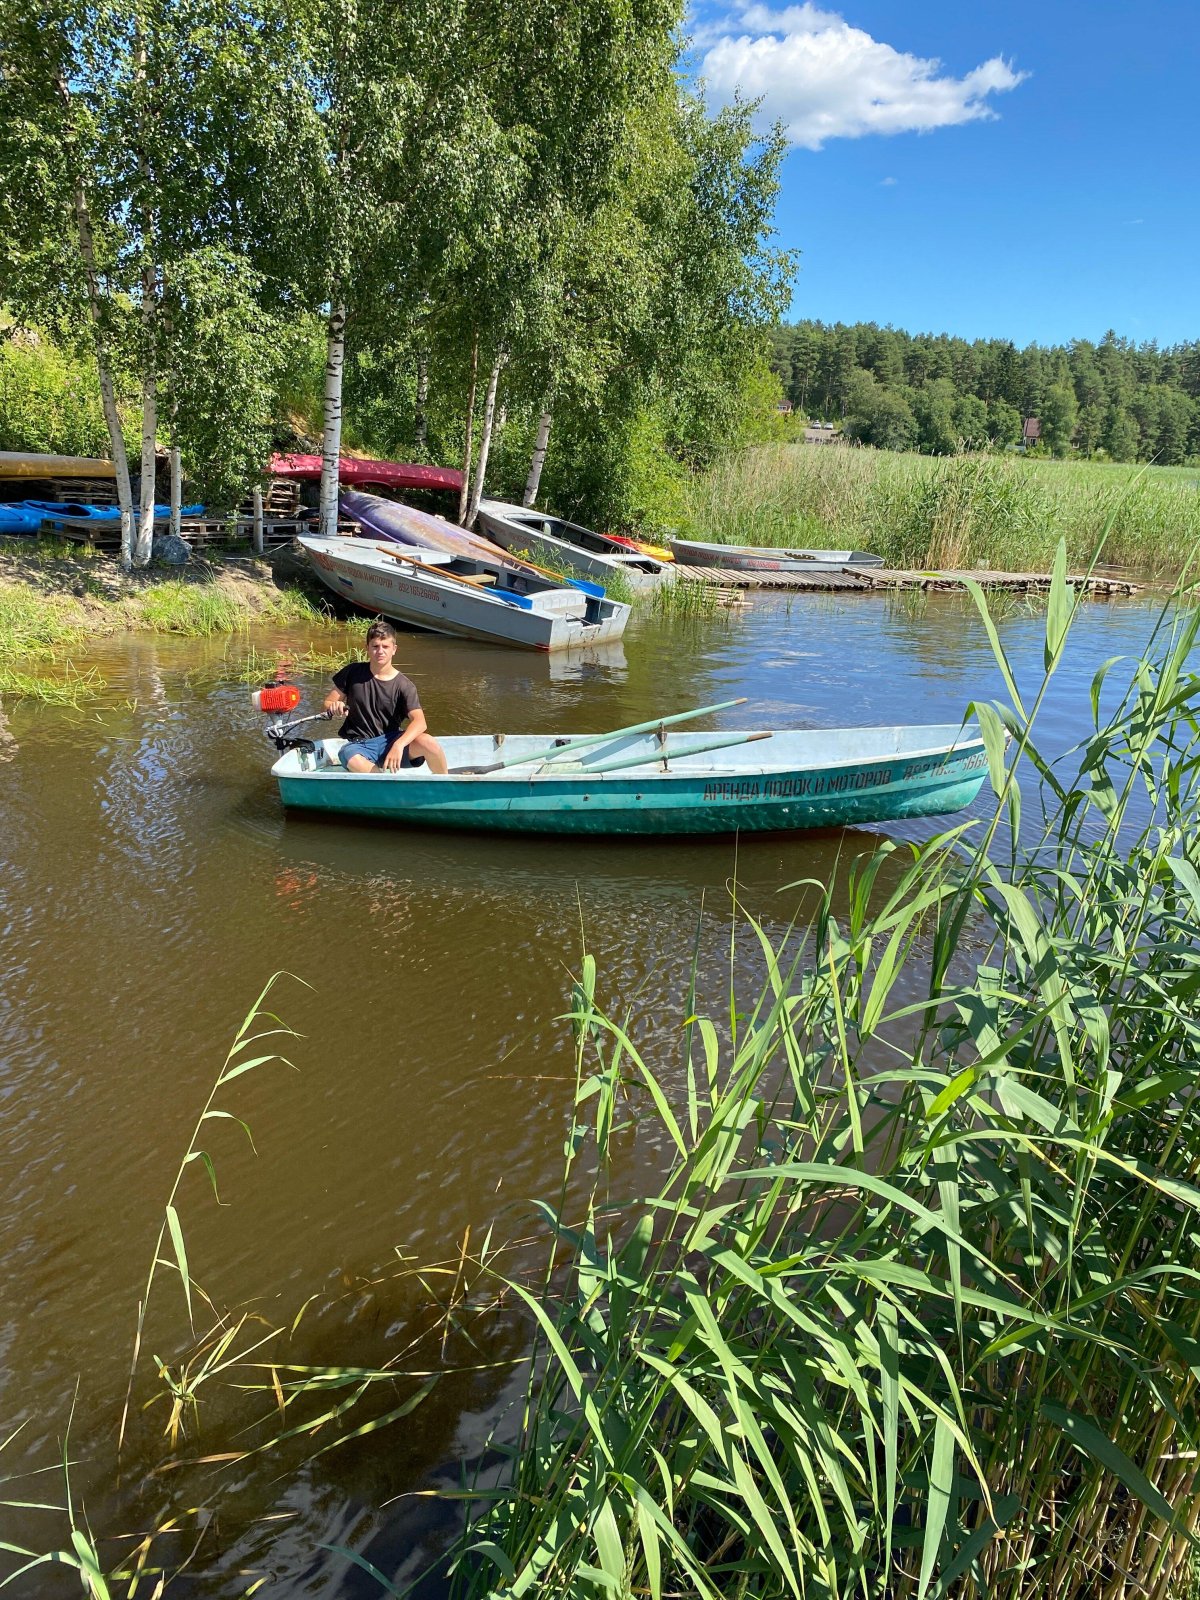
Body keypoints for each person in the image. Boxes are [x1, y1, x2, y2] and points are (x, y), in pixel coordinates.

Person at [324, 620, 448, 774]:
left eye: (385, 646)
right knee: (352, 758)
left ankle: (446, 783)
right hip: (359, 746)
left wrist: (399, 745)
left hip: (391, 741)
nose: (380, 651)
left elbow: (420, 722)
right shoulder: (352, 672)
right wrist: (334, 706)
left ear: (394, 649)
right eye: (375, 646)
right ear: (367, 648)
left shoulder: (404, 685)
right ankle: (382, 781)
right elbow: (328, 702)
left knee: (429, 742)